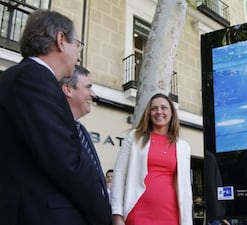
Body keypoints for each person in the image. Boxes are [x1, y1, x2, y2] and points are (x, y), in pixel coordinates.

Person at [0, 9, 111, 225]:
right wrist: (103, 215)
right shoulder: (33, 79)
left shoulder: (28, 78)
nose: (78, 56)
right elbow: (67, 163)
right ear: (61, 40)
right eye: (77, 45)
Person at [111, 93, 193, 225]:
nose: (159, 111)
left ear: (172, 113)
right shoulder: (134, 137)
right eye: (154, 108)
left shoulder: (183, 146)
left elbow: (185, 188)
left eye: (163, 108)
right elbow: (119, 173)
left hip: (171, 216)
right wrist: (116, 213)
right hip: (137, 213)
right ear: (148, 113)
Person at [59, 65, 108, 199]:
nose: (93, 94)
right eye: (88, 87)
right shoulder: (56, 129)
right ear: (68, 89)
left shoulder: (82, 131)